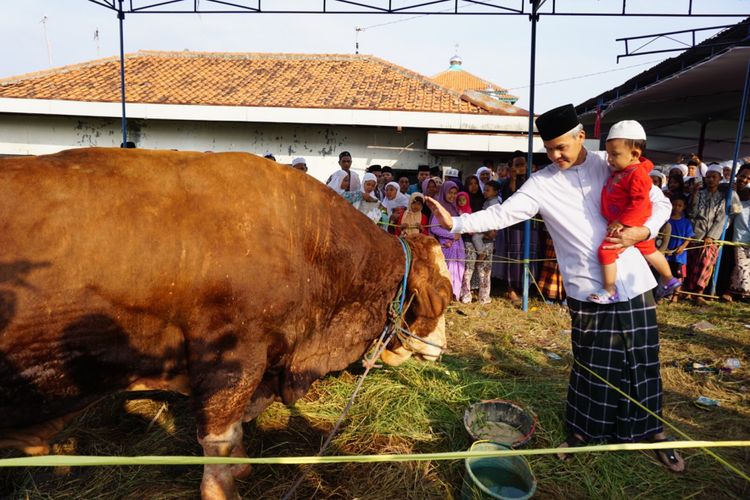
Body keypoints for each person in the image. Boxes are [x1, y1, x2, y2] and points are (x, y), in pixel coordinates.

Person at [425, 104, 683, 472]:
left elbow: (658, 202)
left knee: (642, 358)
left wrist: (644, 231)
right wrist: (455, 223)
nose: (555, 155)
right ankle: (582, 433)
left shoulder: (608, 162)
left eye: (561, 147)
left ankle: (651, 431)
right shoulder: (542, 182)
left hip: (634, 281)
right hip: (586, 288)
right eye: (548, 149)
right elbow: (503, 213)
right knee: (591, 365)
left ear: (582, 137)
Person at [588, 120, 681, 303]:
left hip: (629, 224)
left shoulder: (636, 175)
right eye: (608, 154)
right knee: (651, 251)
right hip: (630, 222)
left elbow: (640, 202)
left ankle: (609, 290)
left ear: (634, 154)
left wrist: (623, 222)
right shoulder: (624, 169)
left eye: (614, 154)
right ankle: (669, 279)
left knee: (606, 252)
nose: (609, 159)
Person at [685, 164, 741, 304]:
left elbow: (722, 218)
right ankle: (688, 292)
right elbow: (691, 213)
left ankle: (699, 293)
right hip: (695, 234)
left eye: (713, 177)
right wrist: (693, 195)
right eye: (708, 177)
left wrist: (711, 236)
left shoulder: (723, 197)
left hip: (711, 237)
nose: (710, 180)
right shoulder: (699, 193)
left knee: (705, 263)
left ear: (720, 179)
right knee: (691, 263)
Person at [429, 181, 465, 301]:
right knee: (447, 270)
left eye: (455, 193)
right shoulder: (440, 209)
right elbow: (434, 228)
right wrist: (450, 235)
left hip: (458, 244)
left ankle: (455, 295)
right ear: (444, 193)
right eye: (450, 193)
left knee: (459, 268)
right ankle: (445, 295)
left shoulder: (455, 208)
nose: (452, 196)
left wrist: (459, 232)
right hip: (446, 245)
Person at [663, 196, 694, 303]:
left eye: (679, 205)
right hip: (666, 253)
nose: (676, 207)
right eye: (674, 205)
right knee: (665, 273)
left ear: (684, 207)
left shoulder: (686, 222)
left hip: (679, 255)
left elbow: (689, 237)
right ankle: (663, 294)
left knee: (678, 275)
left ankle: (675, 296)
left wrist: (682, 247)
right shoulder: (666, 219)